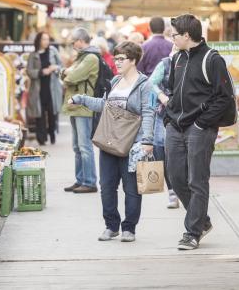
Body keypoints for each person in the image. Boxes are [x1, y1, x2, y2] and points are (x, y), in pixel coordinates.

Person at [70, 41, 154, 242]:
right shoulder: (115, 81)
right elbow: (104, 105)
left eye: (121, 59)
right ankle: (111, 226)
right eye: (115, 58)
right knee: (107, 185)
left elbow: (149, 113)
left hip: (132, 144)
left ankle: (129, 228)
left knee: (131, 188)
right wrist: (80, 99)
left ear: (133, 60)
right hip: (109, 142)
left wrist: (147, 140)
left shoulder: (145, 84)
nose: (117, 62)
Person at [165, 14, 234, 250]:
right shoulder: (176, 59)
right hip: (175, 126)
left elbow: (224, 97)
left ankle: (192, 232)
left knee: (197, 180)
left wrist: (201, 123)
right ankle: (202, 221)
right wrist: (168, 117)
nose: (171, 38)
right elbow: (172, 91)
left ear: (186, 35)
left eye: (174, 34)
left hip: (199, 129)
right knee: (175, 178)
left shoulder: (212, 59)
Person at [61, 27, 100, 194]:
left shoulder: (90, 57)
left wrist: (66, 73)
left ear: (80, 41)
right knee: (77, 146)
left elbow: (71, 77)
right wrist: (67, 72)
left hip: (84, 106)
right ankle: (80, 179)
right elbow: (67, 73)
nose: (72, 44)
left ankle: (90, 182)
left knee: (84, 146)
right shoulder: (82, 57)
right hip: (75, 106)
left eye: (73, 41)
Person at [149, 45, 179, 209]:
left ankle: (183, 189)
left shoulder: (192, 62)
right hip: (165, 114)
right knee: (163, 152)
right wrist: (161, 95)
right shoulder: (166, 64)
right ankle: (173, 193)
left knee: (183, 154)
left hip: (188, 114)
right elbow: (151, 82)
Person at [26, 32, 63, 145]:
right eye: (44, 39)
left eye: (47, 39)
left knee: (52, 113)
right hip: (38, 89)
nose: (46, 42)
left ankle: (52, 134)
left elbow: (61, 66)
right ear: (38, 41)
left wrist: (54, 68)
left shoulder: (53, 51)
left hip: (52, 88)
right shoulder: (33, 55)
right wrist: (42, 72)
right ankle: (41, 138)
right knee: (39, 114)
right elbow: (29, 71)